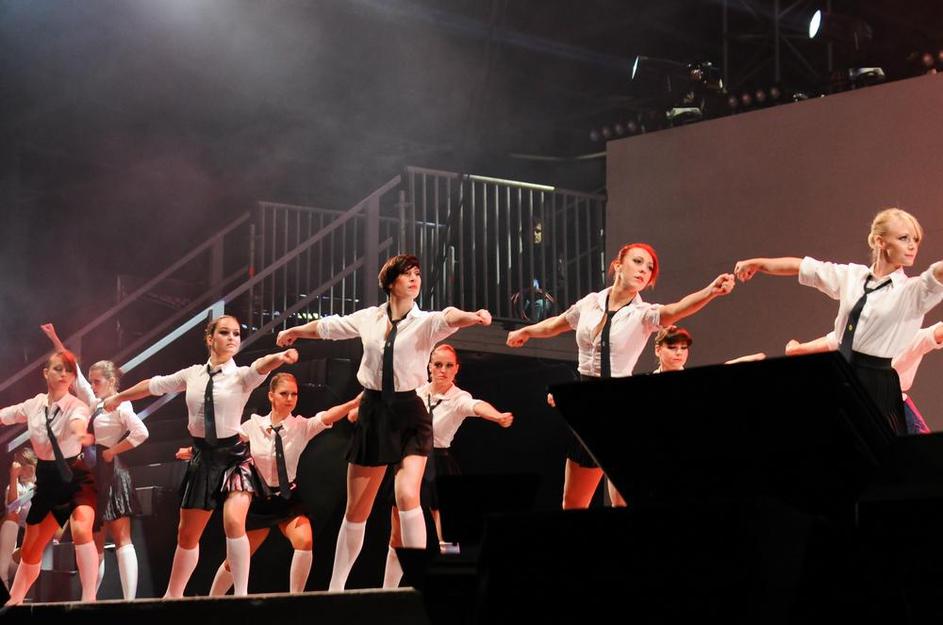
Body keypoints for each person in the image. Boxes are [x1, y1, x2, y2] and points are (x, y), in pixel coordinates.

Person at [275, 253, 492, 591]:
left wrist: (474, 316)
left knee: (407, 495)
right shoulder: (370, 318)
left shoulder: (425, 322)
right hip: (374, 411)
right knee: (356, 509)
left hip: (409, 412)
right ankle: (336, 589)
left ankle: (419, 582)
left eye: (418, 274)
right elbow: (329, 327)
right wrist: (295, 330)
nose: (415, 279)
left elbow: (449, 316)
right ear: (391, 282)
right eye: (407, 274)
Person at [506, 242, 735, 509]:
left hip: (619, 404)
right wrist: (526, 331)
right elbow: (556, 324)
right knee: (573, 503)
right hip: (586, 403)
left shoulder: (643, 314)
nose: (644, 270)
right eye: (637, 262)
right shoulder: (590, 303)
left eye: (649, 268)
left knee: (623, 501)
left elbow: (677, 309)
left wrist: (710, 291)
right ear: (618, 265)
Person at [103, 314, 298, 597]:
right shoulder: (192, 374)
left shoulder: (241, 376)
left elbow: (262, 365)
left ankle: (241, 595)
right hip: (204, 458)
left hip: (234, 458)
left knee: (234, 522)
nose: (232, 338)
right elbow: (153, 385)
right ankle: (173, 595)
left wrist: (280, 357)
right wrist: (119, 397)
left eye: (236, 334)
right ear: (210, 338)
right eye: (225, 333)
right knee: (187, 535)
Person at [735, 208, 943, 434]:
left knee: (882, 446)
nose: (912, 246)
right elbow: (803, 267)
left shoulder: (913, 292)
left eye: (916, 240)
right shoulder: (852, 276)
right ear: (879, 241)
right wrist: (758, 263)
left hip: (877, 383)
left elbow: (938, 274)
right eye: (904, 238)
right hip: (842, 373)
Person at [193, 373, 361, 595]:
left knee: (305, 541)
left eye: (294, 394)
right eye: (284, 394)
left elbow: (328, 416)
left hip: (287, 497)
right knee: (235, 560)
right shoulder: (254, 425)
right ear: (271, 395)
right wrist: (195, 451)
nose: (290, 398)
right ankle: (212, 600)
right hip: (260, 500)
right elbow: (224, 443)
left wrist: (354, 403)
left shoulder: (300, 426)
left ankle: (294, 599)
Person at [382, 344, 513, 588]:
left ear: (456, 369)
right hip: (409, 461)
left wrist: (497, 416)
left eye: (449, 365)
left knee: (449, 535)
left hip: (439, 463)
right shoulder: (417, 392)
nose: (443, 370)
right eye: (438, 364)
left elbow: (476, 406)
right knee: (397, 535)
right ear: (429, 367)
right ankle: (386, 592)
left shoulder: (458, 398)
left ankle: (454, 588)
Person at [41, 323, 148, 599]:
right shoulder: (92, 401)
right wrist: (55, 338)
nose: (92, 385)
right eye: (92, 380)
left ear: (111, 382)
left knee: (121, 537)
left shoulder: (122, 404)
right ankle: (89, 598)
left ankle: (129, 600)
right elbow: (73, 371)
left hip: (111, 471)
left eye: (97, 381)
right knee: (93, 540)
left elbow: (141, 432)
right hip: (90, 474)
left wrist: (113, 451)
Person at [0, 351, 97, 605]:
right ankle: (15, 599)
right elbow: (7, 415)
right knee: (30, 549)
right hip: (47, 479)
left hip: (74, 474)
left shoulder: (77, 406)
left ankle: (90, 599)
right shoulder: (34, 405)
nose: (64, 374)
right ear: (45, 373)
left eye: (68, 370)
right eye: (58, 369)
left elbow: (78, 422)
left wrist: (80, 434)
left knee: (81, 528)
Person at [785, 322, 943, 434]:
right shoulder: (854, 337)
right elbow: (823, 344)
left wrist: (796, 348)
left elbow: (935, 334)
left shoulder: (907, 338)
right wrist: (796, 349)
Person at [0, 447, 37, 590]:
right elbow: (12, 507)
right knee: (12, 514)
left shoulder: (42, 484)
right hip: (13, 548)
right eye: (21, 467)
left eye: (27, 467)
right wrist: (14, 477)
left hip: (36, 541)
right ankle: (3, 575)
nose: (25, 471)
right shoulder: (17, 486)